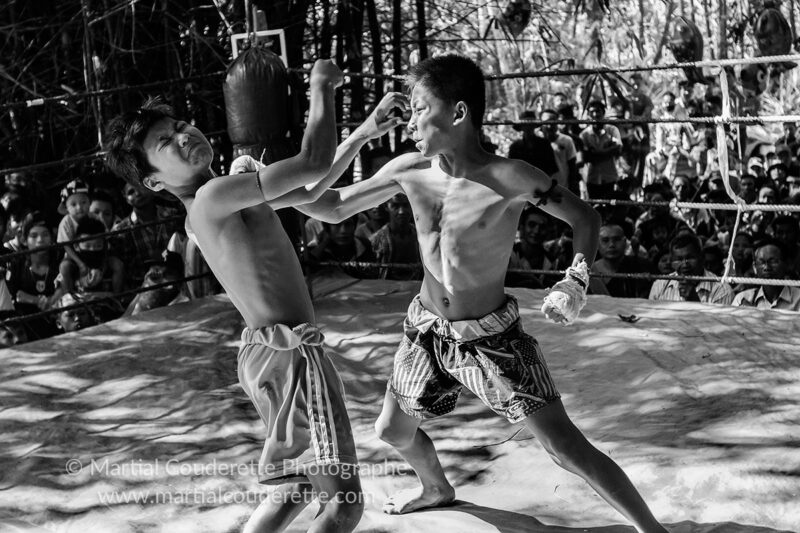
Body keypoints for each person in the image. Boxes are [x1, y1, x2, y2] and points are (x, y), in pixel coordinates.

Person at [297, 54, 668, 533]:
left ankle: (652, 529)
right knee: (391, 429)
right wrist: (364, 133)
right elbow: (320, 203)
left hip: (491, 334)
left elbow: (585, 218)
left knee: (562, 446)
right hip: (426, 329)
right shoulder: (409, 169)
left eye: (418, 109)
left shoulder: (509, 177)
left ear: (458, 114)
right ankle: (437, 489)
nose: (408, 122)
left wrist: (576, 278)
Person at [104, 59, 404, 533]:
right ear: (153, 181)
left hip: (267, 354)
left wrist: (365, 133)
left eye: (181, 126)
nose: (184, 137)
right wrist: (321, 84)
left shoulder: (225, 195)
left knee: (296, 485)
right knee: (344, 505)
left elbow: (317, 193)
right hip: (290, 356)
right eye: (166, 142)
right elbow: (311, 162)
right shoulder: (213, 197)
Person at [648, 232, 733, 304]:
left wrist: (694, 301)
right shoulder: (660, 285)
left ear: (702, 258)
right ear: (672, 262)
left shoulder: (722, 290)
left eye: (690, 258)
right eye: (679, 259)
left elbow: (717, 323)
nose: (685, 264)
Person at [589, 222, 654, 298]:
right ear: (597, 244)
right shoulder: (588, 272)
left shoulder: (643, 266)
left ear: (625, 242)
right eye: (605, 240)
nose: (611, 245)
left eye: (616, 239)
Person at [732, 240, 800, 310]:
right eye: (761, 262)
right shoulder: (742, 299)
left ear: (786, 264)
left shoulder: (798, 299)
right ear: (754, 267)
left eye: (773, 261)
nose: (767, 268)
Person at [580, 100, 622, 199]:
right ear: (588, 115)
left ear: (603, 112)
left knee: (610, 206)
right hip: (592, 178)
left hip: (610, 177)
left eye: (598, 111)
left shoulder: (612, 130)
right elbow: (586, 157)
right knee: (595, 206)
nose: (595, 114)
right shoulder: (584, 135)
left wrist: (595, 154)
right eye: (592, 112)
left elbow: (618, 150)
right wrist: (608, 152)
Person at [57, 179, 93, 277]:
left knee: (117, 265)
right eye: (73, 204)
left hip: (95, 251)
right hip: (74, 256)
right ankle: (68, 291)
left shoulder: (94, 217)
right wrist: (80, 264)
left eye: (83, 202)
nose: (79, 207)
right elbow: (67, 246)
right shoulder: (65, 223)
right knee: (65, 267)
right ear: (66, 207)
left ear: (90, 202)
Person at [539, 108, 580, 195]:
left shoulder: (567, 140)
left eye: (553, 122)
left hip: (563, 188)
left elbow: (572, 165)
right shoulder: (537, 141)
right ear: (541, 124)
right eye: (546, 123)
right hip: (541, 190)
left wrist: (572, 187)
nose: (549, 126)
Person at [508, 110, 559, 177]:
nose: (528, 127)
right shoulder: (515, 147)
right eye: (525, 125)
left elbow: (551, 168)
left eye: (530, 124)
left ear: (534, 126)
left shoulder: (544, 144)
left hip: (542, 182)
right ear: (521, 127)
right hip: (522, 183)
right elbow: (512, 170)